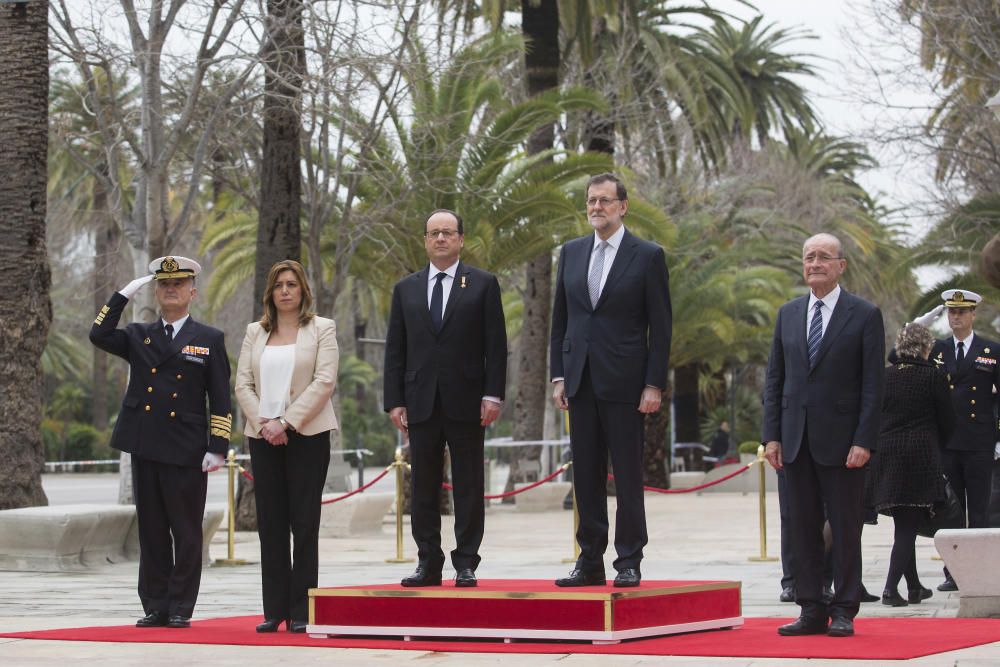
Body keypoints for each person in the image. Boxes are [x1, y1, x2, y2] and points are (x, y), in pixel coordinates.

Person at [89, 256, 232, 629]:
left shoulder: (209, 339)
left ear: (192, 292)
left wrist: (218, 445)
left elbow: (220, 398)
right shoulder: (139, 335)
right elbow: (99, 334)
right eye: (164, 284)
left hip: (186, 447)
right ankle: (155, 604)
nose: (171, 289)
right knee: (151, 530)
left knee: (185, 531)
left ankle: (181, 604)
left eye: (179, 284)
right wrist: (121, 295)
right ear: (156, 290)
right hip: (145, 441)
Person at [550, 173, 672, 588]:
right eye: (591, 201)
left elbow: (661, 326)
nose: (596, 208)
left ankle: (629, 560)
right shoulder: (570, 253)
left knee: (627, 475)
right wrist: (558, 376)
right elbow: (560, 322)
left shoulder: (647, 255)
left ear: (623, 206)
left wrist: (654, 384)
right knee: (584, 475)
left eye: (604, 201)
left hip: (626, 385)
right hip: (580, 381)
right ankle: (589, 560)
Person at [762, 233, 885, 637]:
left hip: (845, 444)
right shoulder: (788, 314)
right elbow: (776, 379)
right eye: (809, 257)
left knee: (846, 529)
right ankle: (810, 606)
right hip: (795, 442)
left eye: (824, 257)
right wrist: (772, 437)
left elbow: (872, 385)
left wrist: (864, 439)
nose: (815, 263)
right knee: (802, 528)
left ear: (841, 265)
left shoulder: (864, 315)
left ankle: (845, 608)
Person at [383, 209, 507, 588]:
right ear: (424, 240)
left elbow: (496, 346)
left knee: (468, 484)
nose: (440, 239)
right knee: (423, 485)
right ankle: (428, 561)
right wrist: (394, 400)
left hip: (468, 400)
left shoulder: (483, 284)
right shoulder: (406, 289)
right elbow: (396, 350)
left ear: (460, 239)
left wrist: (493, 394)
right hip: (420, 401)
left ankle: (466, 561)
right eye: (434, 233)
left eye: (448, 233)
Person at [235, 260, 339, 633]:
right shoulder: (255, 332)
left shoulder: (322, 329)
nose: (284, 290)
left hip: (307, 436)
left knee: (304, 522)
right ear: (270, 292)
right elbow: (242, 384)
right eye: (278, 284)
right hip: (263, 437)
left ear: (303, 290)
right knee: (271, 523)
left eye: (292, 284)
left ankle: (301, 609)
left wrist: (286, 422)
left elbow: (324, 381)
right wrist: (265, 423)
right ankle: (274, 609)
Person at [867, 323, 954, 606]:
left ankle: (915, 586)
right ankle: (891, 590)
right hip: (919, 458)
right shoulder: (933, 376)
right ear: (926, 348)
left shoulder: (884, 376)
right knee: (907, 527)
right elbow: (947, 421)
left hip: (886, 457)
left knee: (905, 523)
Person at [927, 289, 1000, 591]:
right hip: (948, 442)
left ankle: (979, 571)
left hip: (980, 441)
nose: (955, 317)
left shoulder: (991, 350)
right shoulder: (938, 350)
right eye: (951, 312)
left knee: (980, 508)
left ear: (973, 315)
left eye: (961, 312)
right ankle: (952, 572)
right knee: (952, 510)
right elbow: (899, 361)